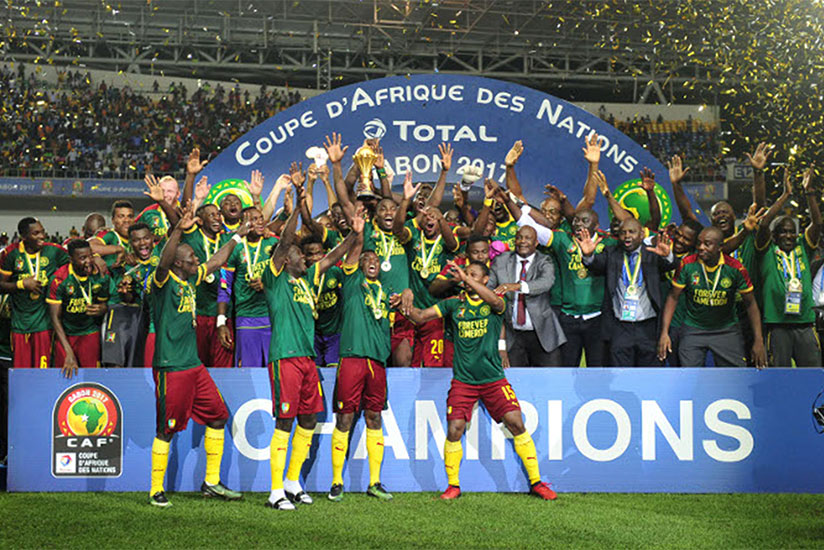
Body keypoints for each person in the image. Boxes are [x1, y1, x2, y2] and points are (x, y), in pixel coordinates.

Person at [403, 261, 557, 501]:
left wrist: (465, 278)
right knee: (454, 429)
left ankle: (537, 482)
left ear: (485, 279)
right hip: (464, 380)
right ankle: (453, 486)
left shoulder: (495, 301)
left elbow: (495, 302)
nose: (468, 278)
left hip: (493, 378)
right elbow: (421, 316)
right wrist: (405, 303)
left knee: (516, 423)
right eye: (466, 274)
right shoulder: (454, 304)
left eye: (474, 275)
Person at [261, 172, 359, 511]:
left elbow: (332, 257)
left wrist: (355, 234)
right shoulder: (275, 278)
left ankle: (292, 482)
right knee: (285, 421)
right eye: (300, 255)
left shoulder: (307, 280)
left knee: (308, 420)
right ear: (286, 259)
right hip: (285, 356)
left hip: (306, 359)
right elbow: (286, 240)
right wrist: (298, 202)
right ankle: (275, 491)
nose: (307, 259)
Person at [147, 203, 249, 507]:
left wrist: (238, 236)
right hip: (171, 367)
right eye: (192, 257)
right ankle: (156, 489)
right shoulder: (162, 282)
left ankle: (211, 482)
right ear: (179, 263)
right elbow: (164, 262)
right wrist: (178, 231)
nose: (197, 260)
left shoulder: (191, 278)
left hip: (194, 366)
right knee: (166, 429)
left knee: (218, 416)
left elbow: (217, 261)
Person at [328, 217, 399, 502]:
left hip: (377, 362)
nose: (371, 261)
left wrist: (406, 294)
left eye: (375, 259)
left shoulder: (386, 293)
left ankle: (375, 482)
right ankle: (336, 481)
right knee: (345, 417)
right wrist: (358, 236)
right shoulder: (352, 283)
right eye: (366, 259)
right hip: (352, 358)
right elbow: (353, 255)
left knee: (374, 416)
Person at [657, 227, 767, 367]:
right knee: (689, 375)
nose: (701, 247)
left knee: (734, 376)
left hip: (726, 330)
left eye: (707, 244)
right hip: (693, 328)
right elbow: (673, 297)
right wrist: (664, 333)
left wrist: (758, 340)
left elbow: (750, 304)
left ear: (720, 247)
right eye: (699, 243)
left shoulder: (735, 268)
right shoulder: (687, 264)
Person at [576, 219, 677, 367]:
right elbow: (595, 265)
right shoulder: (611, 252)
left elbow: (671, 265)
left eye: (631, 232)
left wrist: (667, 256)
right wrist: (588, 255)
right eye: (623, 233)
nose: (627, 236)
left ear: (641, 234)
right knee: (620, 373)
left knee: (649, 373)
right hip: (620, 327)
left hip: (648, 327)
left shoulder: (652, 252)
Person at [755, 167, 822, 367]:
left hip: (805, 323)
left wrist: (809, 193)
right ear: (775, 237)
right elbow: (764, 224)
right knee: (779, 374)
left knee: (812, 374)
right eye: (783, 232)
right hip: (777, 325)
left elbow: (817, 223)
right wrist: (785, 195)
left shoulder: (803, 248)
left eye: (792, 232)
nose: (789, 236)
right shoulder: (767, 252)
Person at [393, 171, 459, 367]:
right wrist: (405, 200)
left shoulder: (446, 239)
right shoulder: (414, 234)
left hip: (434, 312)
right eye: (426, 216)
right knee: (406, 362)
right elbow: (397, 230)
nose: (430, 219)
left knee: (433, 365)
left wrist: (442, 220)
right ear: (419, 219)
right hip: (409, 309)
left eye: (434, 217)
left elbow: (453, 244)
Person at [488, 225, 566, 366]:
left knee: (550, 377)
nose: (523, 241)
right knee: (513, 377)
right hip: (512, 335)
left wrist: (517, 286)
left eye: (528, 238)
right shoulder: (501, 261)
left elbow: (546, 282)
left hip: (543, 334)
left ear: (536, 243)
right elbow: (489, 289)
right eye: (519, 237)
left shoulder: (544, 261)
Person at [0, 218, 69, 368]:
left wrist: (97, 258)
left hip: (44, 324)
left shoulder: (53, 251)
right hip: (20, 324)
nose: (42, 236)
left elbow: (78, 255)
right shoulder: (11, 254)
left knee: (42, 371)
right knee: (21, 372)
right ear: (24, 236)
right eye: (36, 233)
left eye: (42, 232)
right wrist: (21, 284)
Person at [218, 206, 279, 367]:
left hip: (272, 315)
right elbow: (224, 287)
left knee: (274, 370)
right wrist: (221, 322)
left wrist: (267, 285)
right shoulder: (234, 248)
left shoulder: (273, 243)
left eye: (261, 218)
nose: (260, 222)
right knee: (249, 370)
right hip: (246, 318)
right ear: (242, 223)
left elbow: (285, 277)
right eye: (253, 219)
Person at [47, 239, 110, 375]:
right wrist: (68, 351)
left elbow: (104, 303)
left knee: (91, 376)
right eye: (82, 258)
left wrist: (103, 308)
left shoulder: (100, 274)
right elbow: (55, 318)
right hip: (66, 334)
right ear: (71, 260)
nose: (88, 261)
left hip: (89, 332)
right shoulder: (59, 280)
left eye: (90, 256)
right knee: (65, 375)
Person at [102, 222, 158, 368]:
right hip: (136, 315)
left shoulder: (161, 257)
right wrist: (126, 292)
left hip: (160, 314)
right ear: (130, 243)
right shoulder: (125, 265)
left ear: (152, 238)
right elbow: (128, 298)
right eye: (136, 240)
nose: (142, 243)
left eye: (146, 238)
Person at [90, 201, 134, 267]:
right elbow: (89, 247)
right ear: (113, 220)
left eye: (130, 216)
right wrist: (119, 249)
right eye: (121, 216)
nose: (126, 220)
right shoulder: (110, 235)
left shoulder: (137, 239)